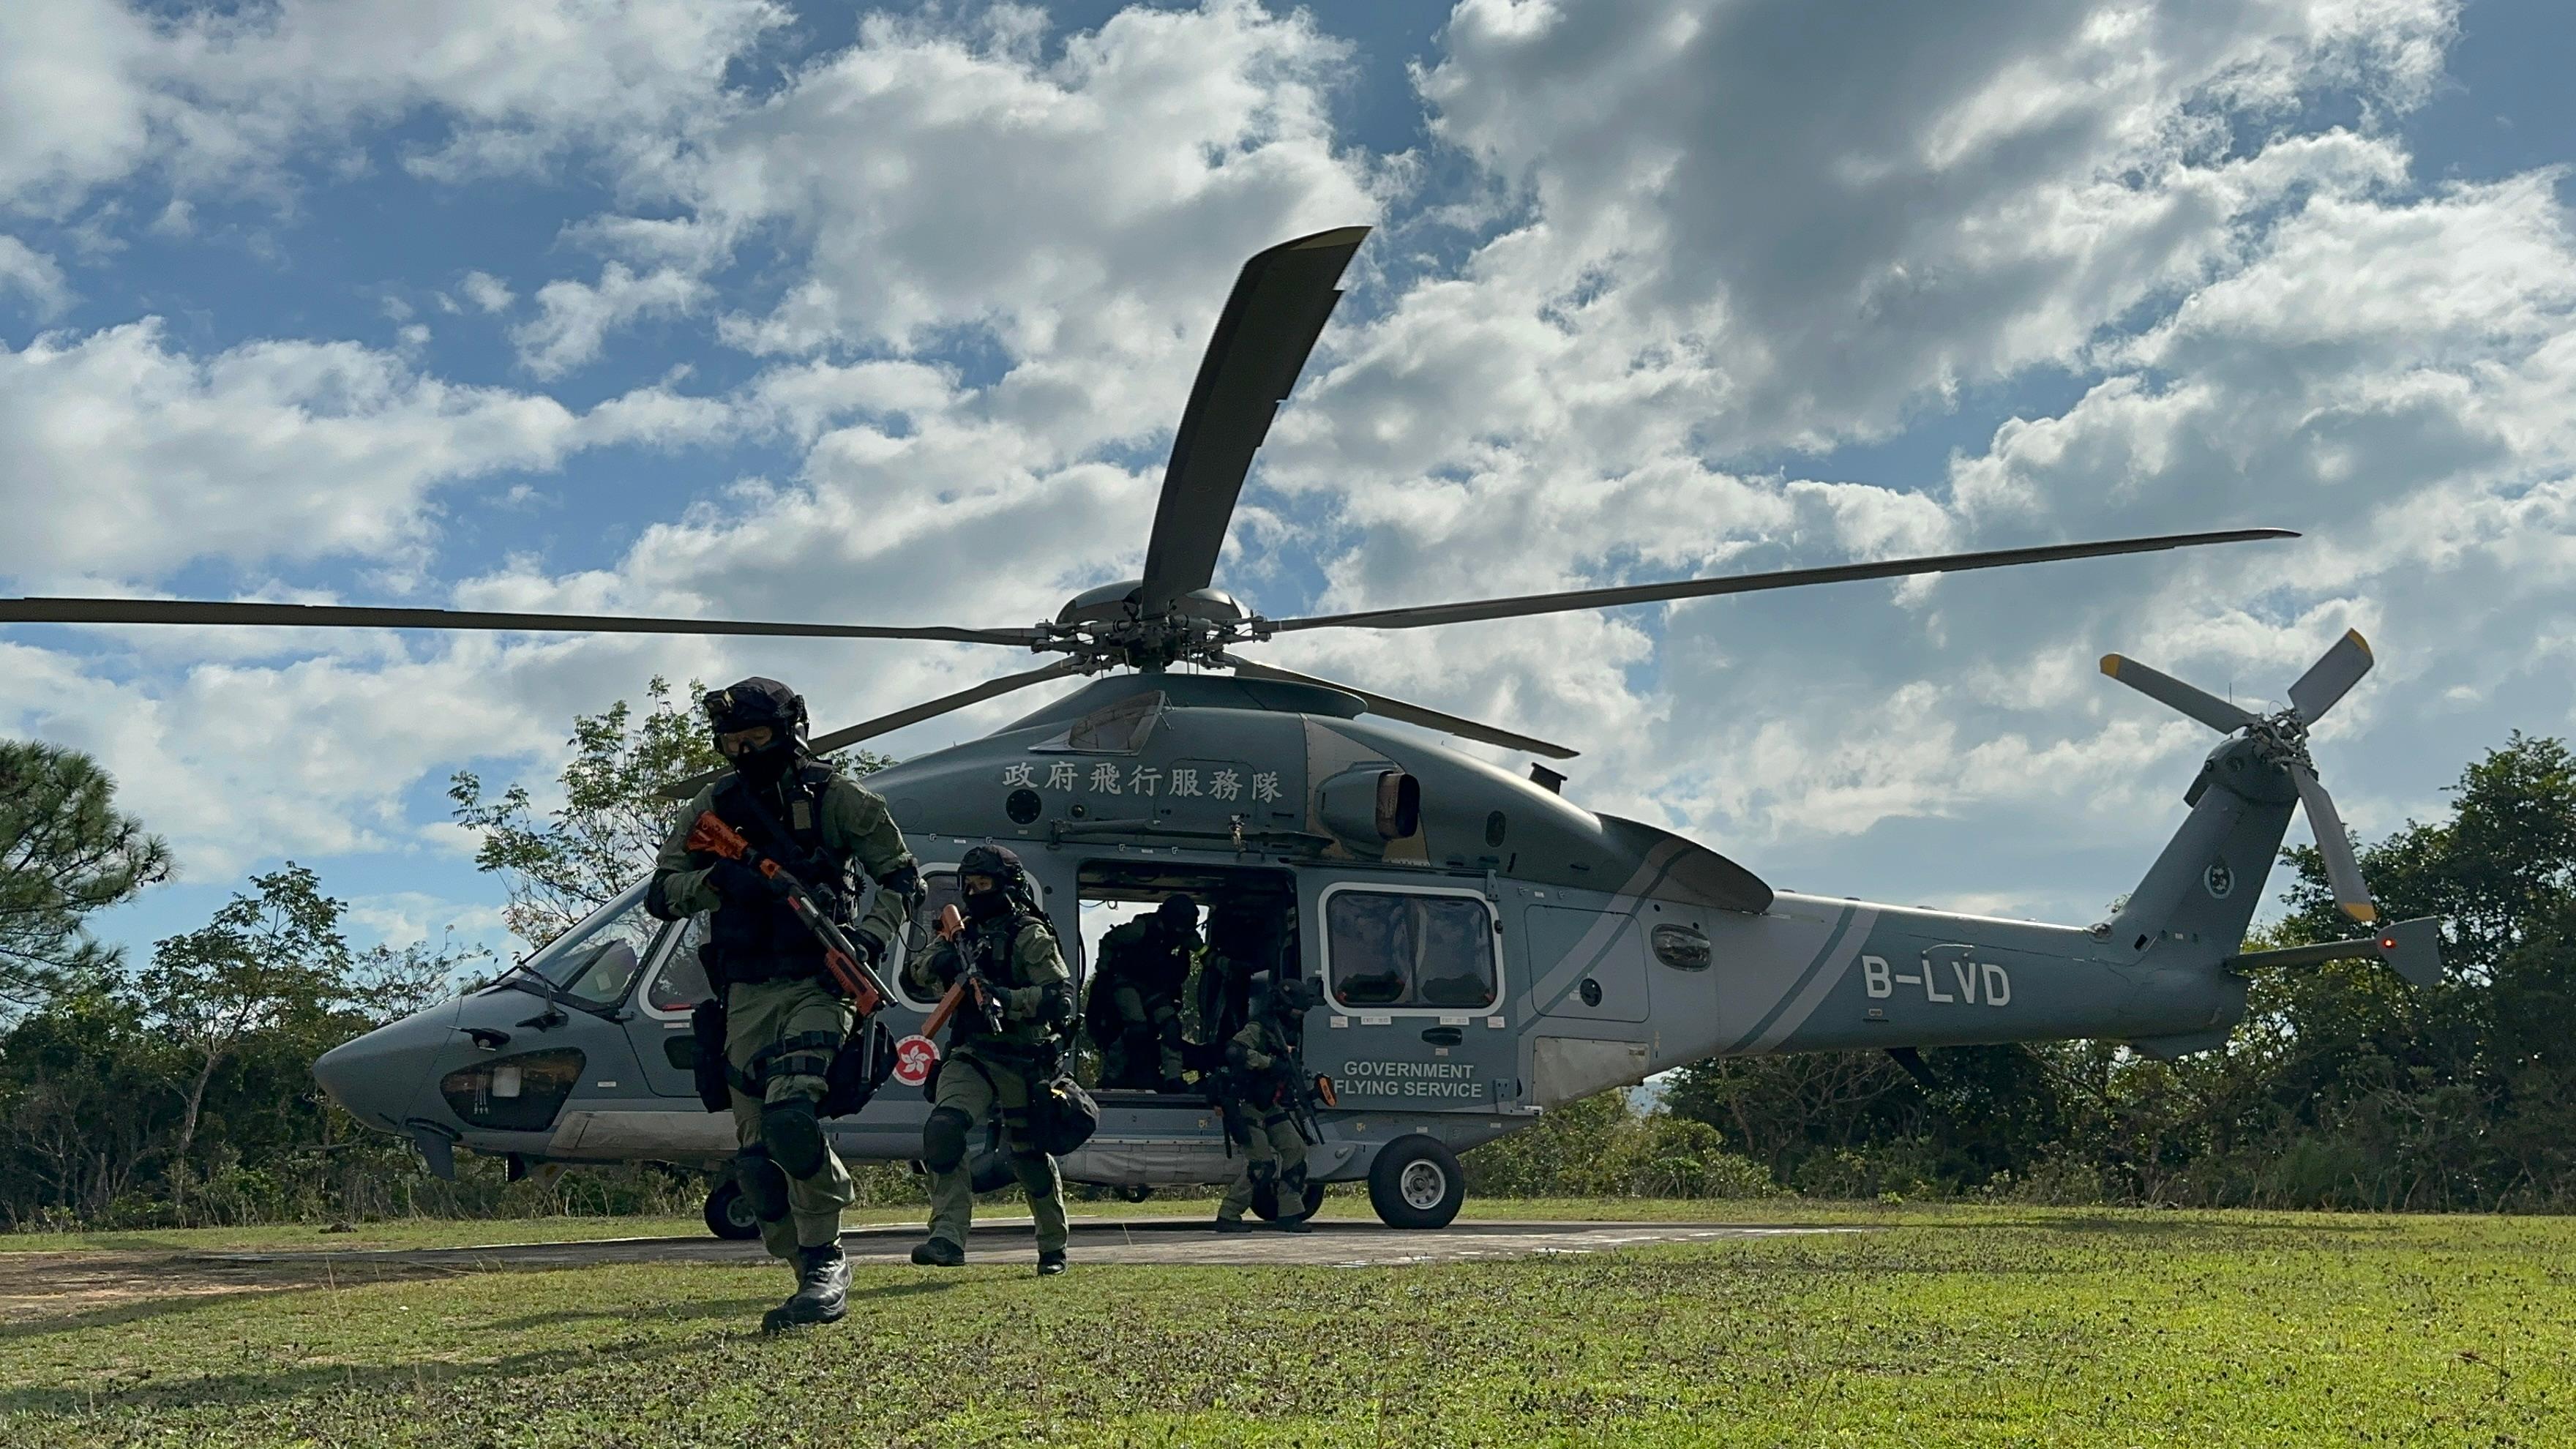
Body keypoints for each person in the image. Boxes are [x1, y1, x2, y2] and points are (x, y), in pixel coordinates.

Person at [645, 676, 919, 1330]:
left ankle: (827, 1257)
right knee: (756, 1158)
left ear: (791, 730)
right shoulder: (715, 805)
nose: (742, 751)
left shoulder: (836, 797)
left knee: (793, 1116)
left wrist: (871, 937)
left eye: (757, 738)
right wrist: (722, 881)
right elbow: (662, 891)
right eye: (730, 741)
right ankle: (807, 1275)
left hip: (819, 980)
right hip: (742, 991)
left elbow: (900, 877)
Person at [904, 844, 1079, 1275]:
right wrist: (942, 959)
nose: (975, 893)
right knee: (944, 1129)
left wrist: (1007, 999)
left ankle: (1053, 1247)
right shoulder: (960, 932)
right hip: (972, 1054)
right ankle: (946, 1238)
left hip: (1024, 1056)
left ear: (1007, 887)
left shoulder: (1029, 935)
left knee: (1027, 1154)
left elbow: (1061, 999)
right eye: (969, 886)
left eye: (984, 885)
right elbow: (915, 973)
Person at [1211, 973, 1325, 1234]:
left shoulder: (1288, 1034)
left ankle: (1289, 1214)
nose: (1299, 1015)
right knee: (1261, 1164)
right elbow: (1235, 1051)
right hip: (1245, 1103)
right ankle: (1228, 1215)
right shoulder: (1260, 1028)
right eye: (1297, 1010)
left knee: (1296, 1151)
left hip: (1271, 1104)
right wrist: (1268, 1063)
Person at [1087, 895, 1199, 1092]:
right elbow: (1109, 940)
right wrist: (1103, 972)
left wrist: (1223, 963)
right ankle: (1113, 1076)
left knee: (1171, 1026)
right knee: (1137, 1028)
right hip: (1126, 982)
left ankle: (1174, 1078)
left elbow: (1204, 951)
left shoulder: (1184, 936)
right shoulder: (1140, 929)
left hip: (1154, 988)